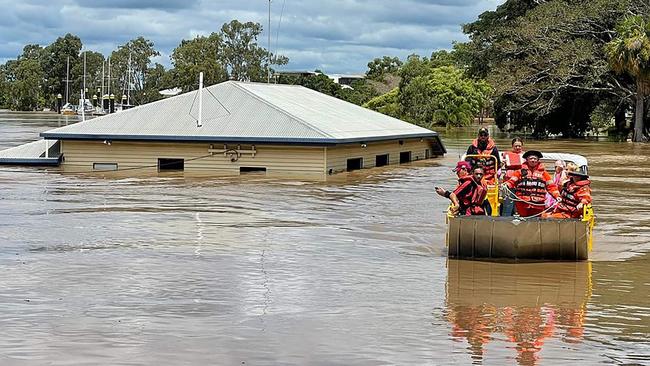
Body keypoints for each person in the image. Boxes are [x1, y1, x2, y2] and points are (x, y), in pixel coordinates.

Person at [505, 150, 560, 217]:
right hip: (522, 203)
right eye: (531, 158)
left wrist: (557, 196)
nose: (533, 160)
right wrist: (506, 185)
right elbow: (511, 181)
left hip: (538, 204)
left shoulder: (544, 173)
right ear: (527, 160)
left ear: (538, 160)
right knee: (522, 221)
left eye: (535, 158)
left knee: (537, 222)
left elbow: (551, 187)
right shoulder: (519, 172)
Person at [500, 137, 524, 216]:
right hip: (509, 183)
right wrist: (502, 163)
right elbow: (498, 168)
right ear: (512, 146)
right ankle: (505, 220)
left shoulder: (525, 156)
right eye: (516, 146)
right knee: (508, 204)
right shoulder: (506, 155)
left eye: (519, 146)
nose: (518, 148)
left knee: (519, 204)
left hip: (521, 184)